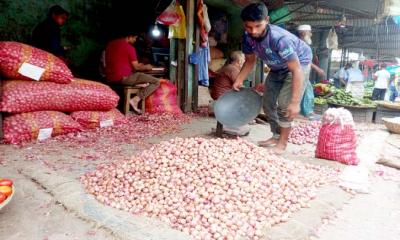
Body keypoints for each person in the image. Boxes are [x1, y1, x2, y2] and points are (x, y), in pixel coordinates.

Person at [233, 2, 312, 154]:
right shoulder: (247, 37)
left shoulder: (279, 39)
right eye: (249, 27)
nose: (254, 31)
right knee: (268, 102)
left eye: (258, 26)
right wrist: (239, 79)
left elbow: (296, 70)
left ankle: (282, 144)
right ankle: (276, 135)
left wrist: (295, 102)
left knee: (284, 105)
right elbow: (250, 60)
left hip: (298, 65)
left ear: (267, 20)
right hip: (277, 67)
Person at [104, 30, 160, 114]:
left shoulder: (110, 44)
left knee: (141, 81)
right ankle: (135, 100)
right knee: (156, 82)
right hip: (124, 78)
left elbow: (120, 61)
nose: (135, 40)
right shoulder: (129, 48)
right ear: (129, 36)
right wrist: (147, 67)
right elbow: (137, 67)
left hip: (110, 78)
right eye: (134, 38)